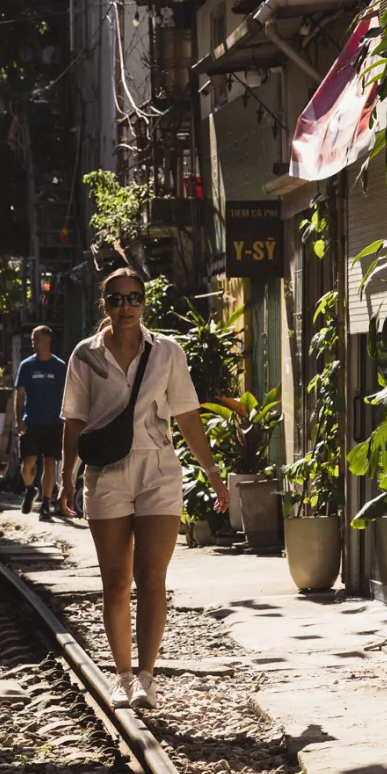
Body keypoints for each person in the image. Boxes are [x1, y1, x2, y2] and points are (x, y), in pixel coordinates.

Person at [60, 266, 228, 711]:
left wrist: (212, 473)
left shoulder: (167, 352)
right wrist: (66, 477)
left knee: (152, 578)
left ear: (144, 303)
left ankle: (148, 678)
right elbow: (74, 418)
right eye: (116, 299)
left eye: (135, 298)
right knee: (115, 583)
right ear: (105, 305)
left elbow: (187, 415)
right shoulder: (85, 355)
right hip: (106, 474)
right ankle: (122, 676)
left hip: (158, 470)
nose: (126, 307)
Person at [15, 325, 67, 521]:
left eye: (36, 339)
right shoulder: (26, 366)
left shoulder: (60, 366)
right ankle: (30, 489)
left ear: (47, 341)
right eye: (32, 339)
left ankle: (46, 503)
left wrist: (68, 419)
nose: (32, 342)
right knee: (28, 462)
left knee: (50, 462)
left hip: (54, 423)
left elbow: (66, 395)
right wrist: (18, 420)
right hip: (31, 422)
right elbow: (19, 396)